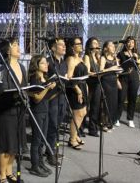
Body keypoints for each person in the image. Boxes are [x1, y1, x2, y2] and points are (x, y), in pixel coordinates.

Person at [0, 38, 27, 183]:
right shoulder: (3, 69)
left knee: (15, 143)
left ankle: (9, 171)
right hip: (6, 110)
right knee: (6, 144)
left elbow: (25, 87)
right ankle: (1, 175)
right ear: (7, 51)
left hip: (19, 109)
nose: (18, 47)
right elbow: (3, 90)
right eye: (14, 45)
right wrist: (17, 93)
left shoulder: (22, 67)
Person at [28, 54, 56, 177]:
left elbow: (47, 98)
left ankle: (40, 162)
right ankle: (34, 165)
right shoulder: (34, 79)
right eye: (43, 63)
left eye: (46, 63)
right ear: (37, 65)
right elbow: (37, 98)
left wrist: (57, 90)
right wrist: (48, 88)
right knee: (36, 140)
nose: (47, 65)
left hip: (45, 111)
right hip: (37, 112)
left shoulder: (45, 78)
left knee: (43, 140)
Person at [46, 38, 67, 166]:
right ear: (53, 48)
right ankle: (49, 152)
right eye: (61, 45)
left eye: (64, 45)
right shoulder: (48, 62)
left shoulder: (64, 63)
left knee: (58, 125)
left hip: (62, 98)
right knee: (52, 126)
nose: (64, 47)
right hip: (52, 98)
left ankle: (53, 148)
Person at [65, 37, 88, 150]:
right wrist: (78, 90)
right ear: (72, 47)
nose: (80, 45)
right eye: (78, 43)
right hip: (75, 89)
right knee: (77, 114)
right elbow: (69, 77)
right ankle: (72, 139)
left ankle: (75, 134)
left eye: (81, 43)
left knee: (83, 113)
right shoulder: (70, 59)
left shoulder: (80, 58)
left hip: (83, 87)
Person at [117, 36, 140, 128]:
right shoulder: (120, 54)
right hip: (124, 78)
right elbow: (118, 66)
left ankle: (130, 119)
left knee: (132, 99)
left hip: (134, 78)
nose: (130, 44)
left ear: (134, 44)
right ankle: (117, 118)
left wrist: (137, 59)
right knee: (121, 98)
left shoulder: (136, 54)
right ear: (125, 43)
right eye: (129, 42)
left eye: (132, 42)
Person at [100, 41, 122, 129]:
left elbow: (117, 70)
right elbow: (101, 71)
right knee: (106, 103)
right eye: (111, 45)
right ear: (106, 48)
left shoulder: (115, 58)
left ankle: (110, 122)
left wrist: (119, 71)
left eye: (114, 46)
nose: (113, 47)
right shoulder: (103, 58)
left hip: (113, 82)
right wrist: (111, 68)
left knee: (113, 103)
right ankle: (103, 123)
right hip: (106, 81)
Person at [83, 37, 101, 137]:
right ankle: (81, 128)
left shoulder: (97, 57)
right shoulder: (87, 57)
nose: (96, 44)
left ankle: (93, 129)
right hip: (90, 83)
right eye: (94, 43)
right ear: (89, 45)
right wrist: (95, 73)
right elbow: (87, 72)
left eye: (97, 43)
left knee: (95, 107)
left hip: (97, 83)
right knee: (87, 107)